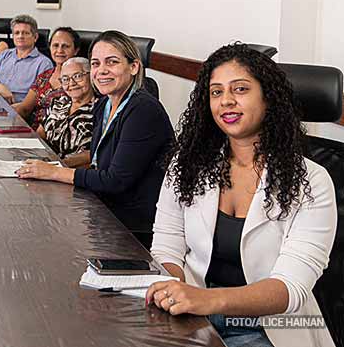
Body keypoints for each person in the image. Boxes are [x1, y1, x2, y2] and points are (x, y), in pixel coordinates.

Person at [145, 44, 337, 347]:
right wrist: (171, 285)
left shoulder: (313, 181)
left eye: (241, 89)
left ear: (268, 98)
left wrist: (207, 300)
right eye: (216, 92)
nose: (227, 102)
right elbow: (167, 242)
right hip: (192, 317)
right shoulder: (188, 163)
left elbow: (290, 287)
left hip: (270, 329)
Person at [17, 30, 173, 244]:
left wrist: (55, 172)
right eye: (96, 64)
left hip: (133, 228)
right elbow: (98, 162)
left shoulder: (143, 110)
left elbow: (115, 180)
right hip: (104, 209)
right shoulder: (104, 105)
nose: (101, 71)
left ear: (134, 67)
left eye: (112, 62)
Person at [0, 14, 53, 103]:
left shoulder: (44, 63)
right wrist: (0, 87)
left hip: (21, 110)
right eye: (17, 33)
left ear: (35, 37)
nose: (20, 36)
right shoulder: (4, 55)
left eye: (25, 33)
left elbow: (40, 99)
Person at [13, 27, 81, 127]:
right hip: (31, 132)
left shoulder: (80, 81)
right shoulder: (44, 77)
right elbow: (25, 109)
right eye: (55, 45)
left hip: (56, 135)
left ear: (76, 50)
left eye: (65, 46)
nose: (59, 50)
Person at [36, 57, 95, 168]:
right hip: (46, 165)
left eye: (77, 76)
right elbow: (40, 134)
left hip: (75, 172)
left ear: (91, 76)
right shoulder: (58, 102)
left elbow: (96, 153)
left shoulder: (101, 110)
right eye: (65, 79)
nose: (71, 83)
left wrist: (60, 164)